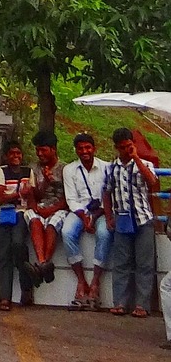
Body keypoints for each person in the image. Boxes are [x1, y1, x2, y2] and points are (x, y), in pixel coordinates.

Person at [104, 126, 160, 317]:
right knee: (121, 263)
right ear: (116, 148)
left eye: (128, 146)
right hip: (122, 219)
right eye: (122, 147)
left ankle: (142, 305)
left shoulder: (145, 164)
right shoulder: (112, 168)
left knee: (145, 264)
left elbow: (152, 181)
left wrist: (136, 158)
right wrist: (109, 216)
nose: (125, 150)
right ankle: (119, 302)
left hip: (143, 218)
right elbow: (107, 192)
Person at [62, 131, 112, 310]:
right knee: (67, 232)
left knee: (105, 233)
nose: (84, 151)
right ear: (76, 150)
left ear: (94, 148)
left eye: (88, 147)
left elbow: (108, 196)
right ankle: (81, 281)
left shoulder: (107, 167)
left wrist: (95, 217)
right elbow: (71, 199)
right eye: (81, 148)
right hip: (79, 211)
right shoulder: (69, 170)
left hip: (102, 212)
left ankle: (95, 283)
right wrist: (84, 217)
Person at [0, 139, 37, 311]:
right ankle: (5, 297)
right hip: (3, 215)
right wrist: (19, 193)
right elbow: (0, 197)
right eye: (12, 153)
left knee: (18, 245)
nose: (16, 156)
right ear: (6, 156)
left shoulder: (28, 172)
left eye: (18, 153)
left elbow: (32, 197)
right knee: (3, 255)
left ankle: (26, 288)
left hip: (21, 214)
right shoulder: (1, 171)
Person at [27, 129, 67, 285]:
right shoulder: (33, 169)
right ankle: (43, 264)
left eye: (43, 150)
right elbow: (34, 196)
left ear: (53, 149)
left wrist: (51, 210)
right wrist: (45, 182)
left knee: (52, 224)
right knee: (34, 219)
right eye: (37, 150)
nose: (39, 153)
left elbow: (67, 199)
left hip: (59, 208)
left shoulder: (65, 169)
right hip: (38, 207)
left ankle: (40, 266)